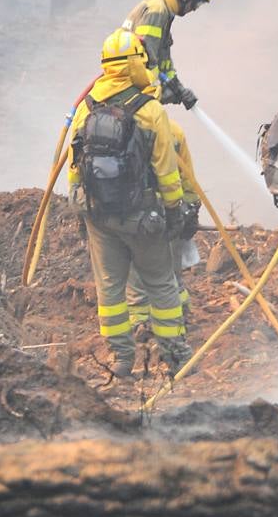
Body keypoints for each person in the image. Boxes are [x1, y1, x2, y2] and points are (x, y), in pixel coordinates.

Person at [68, 29, 197, 378]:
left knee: (110, 289)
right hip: (142, 217)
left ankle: (122, 359)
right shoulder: (150, 110)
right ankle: (176, 357)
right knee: (161, 283)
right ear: (135, 65)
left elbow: (75, 166)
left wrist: (80, 209)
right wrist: (175, 212)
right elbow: (167, 172)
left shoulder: (86, 107)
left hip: (98, 215)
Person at [122, 0, 213, 109]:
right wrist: (163, 93)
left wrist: (179, 89)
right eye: (197, 3)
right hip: (127, 93)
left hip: (133, 93)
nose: (194, 9)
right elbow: (145, 64)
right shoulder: (157, 11)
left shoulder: (164, 12)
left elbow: (163, 64)